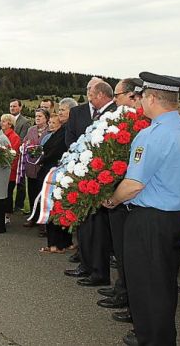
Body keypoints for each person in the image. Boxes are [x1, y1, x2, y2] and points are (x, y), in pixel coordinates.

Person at [102, 72, 180, 346]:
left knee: (145, 287)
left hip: (149, 221)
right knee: (164, 284)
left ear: (153, 97)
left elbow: (133, 184)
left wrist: (112, 200)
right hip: (176, 217)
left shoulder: (150, 135)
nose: (139, 102)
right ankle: (163, 337)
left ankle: (152, 339)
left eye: (142, 96)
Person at [97, 78, 144, 316]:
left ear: (133, 95)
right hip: (117, 194)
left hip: (131, 198)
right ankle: (122, 288)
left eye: (118, 94)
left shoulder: (143, 124)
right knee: (121, 248)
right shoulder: (125, 120)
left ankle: (128, 296)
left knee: (131, 254)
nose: (115, 100)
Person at [65, 80, 118, 287]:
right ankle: (87, 265)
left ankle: (98, 271)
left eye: (92, 93)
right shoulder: (79, 113)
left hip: (101, 179)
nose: (89, 97)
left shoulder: (115, 113)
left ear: (101, 94)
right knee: (86, 226)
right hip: (83, 175)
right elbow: (71, 138)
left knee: (98, 230)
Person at [39, 105, 74, 253]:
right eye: (58, 110)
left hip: (56, 173)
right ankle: (64, 242)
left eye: (63, 110)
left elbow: (56, 152)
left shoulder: (66, 131)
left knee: (55, 206)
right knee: (57, 207)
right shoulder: (60, 131)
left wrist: (41, 158)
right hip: (52, 171)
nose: (59, 113)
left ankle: (56, 244)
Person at [22, 108, 50, 226]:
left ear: (46, 118)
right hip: (31, 167)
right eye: (36, 116)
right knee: (32, 192)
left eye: (40, 116)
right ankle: (33, 217)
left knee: (42, 194)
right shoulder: (31, 130)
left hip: (42, 167)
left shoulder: (50, 131)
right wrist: (25, 146)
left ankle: (42, 219)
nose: (37, 118)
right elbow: (25, 142)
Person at [0, 114, 21, 225]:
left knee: (7, 194)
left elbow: (13, 155)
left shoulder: (14, 137)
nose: (1, 123)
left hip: (9, 171)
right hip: (1, 169)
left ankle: (6, 216)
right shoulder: (1, 135)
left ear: (10, 124)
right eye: (1, 121)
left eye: (4, 121)